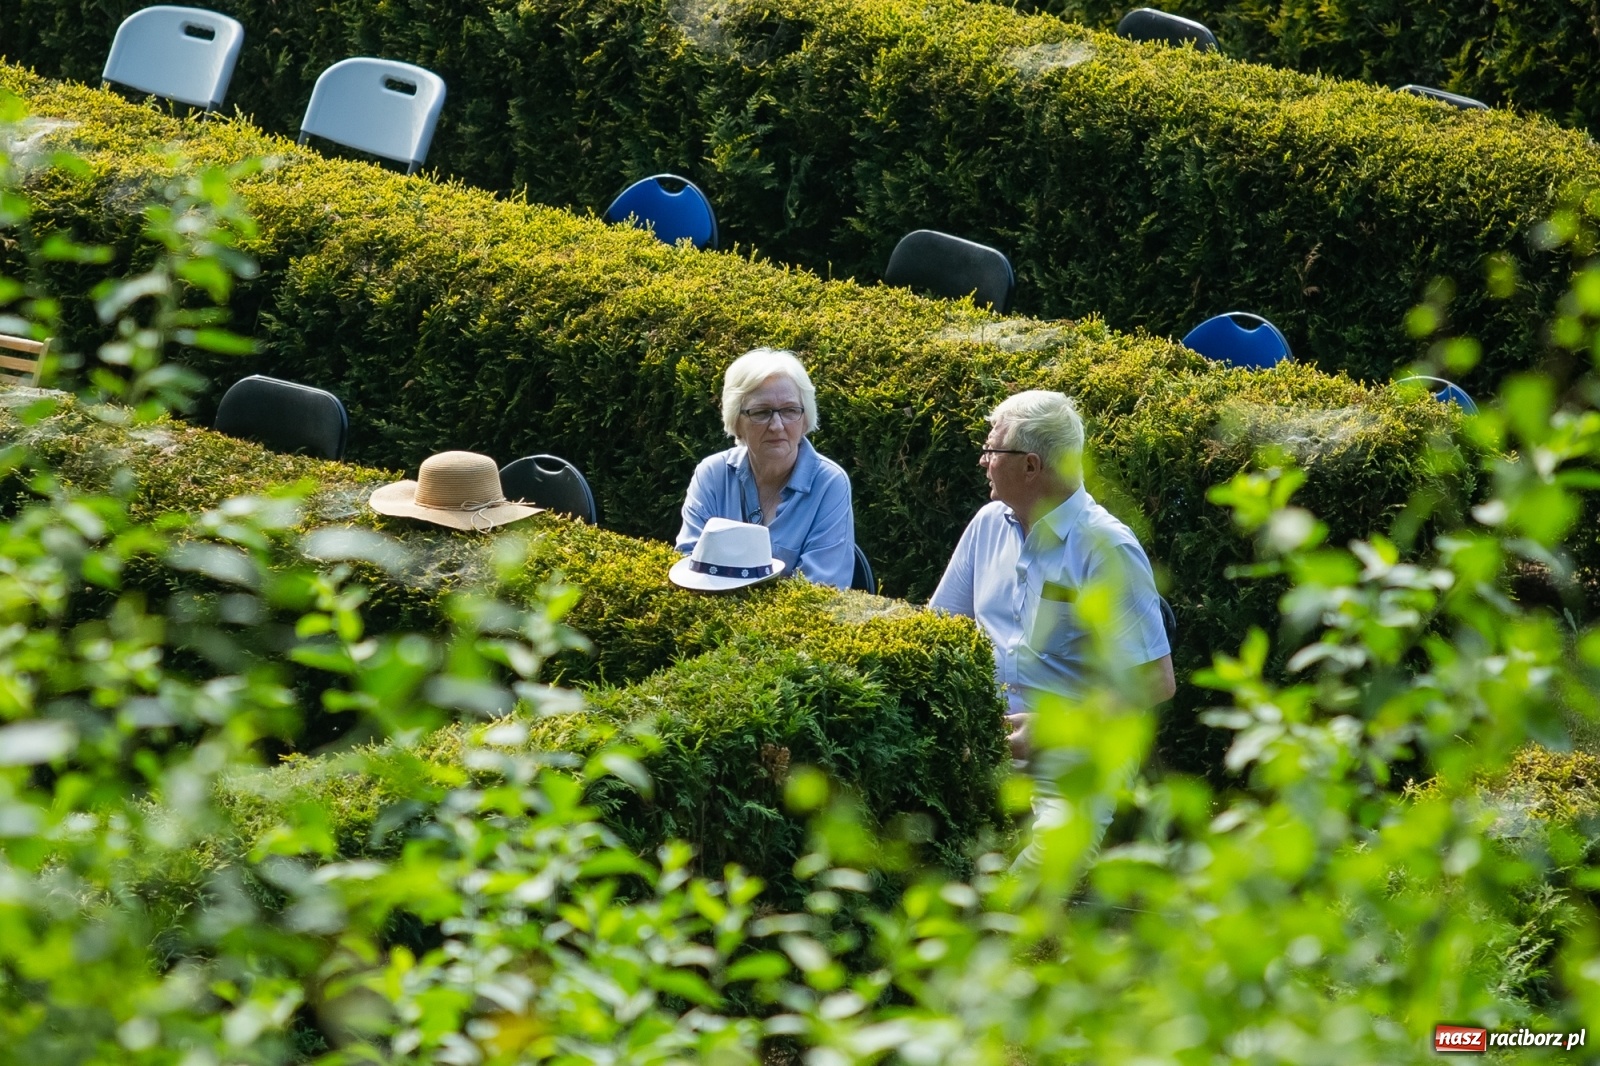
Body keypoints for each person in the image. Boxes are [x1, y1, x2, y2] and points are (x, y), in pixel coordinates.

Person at [929, 390, 1173, 857]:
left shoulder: (1105, 548)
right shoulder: (987, 524)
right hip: (982, 737)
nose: (982, 461)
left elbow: (1155, 680)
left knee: (1042, 873)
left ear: (1030, 466)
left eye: (991, 449)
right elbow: (943, 629)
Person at [676, 348, 856, 587]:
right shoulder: (712, 474)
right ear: (736, 422)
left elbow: (821, 590)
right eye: (761, 412)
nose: (777, 426)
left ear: (805, 419)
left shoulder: (829, 483)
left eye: (790, 410)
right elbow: (688, 562)